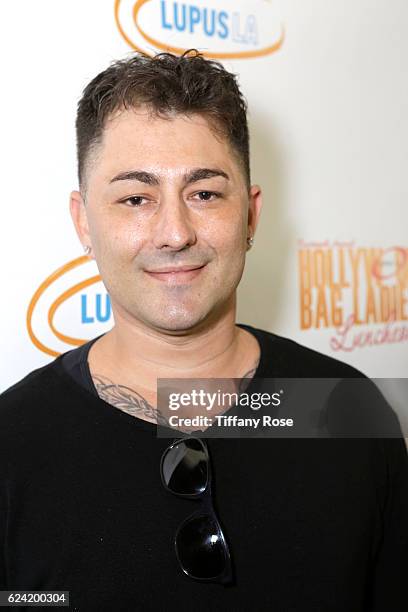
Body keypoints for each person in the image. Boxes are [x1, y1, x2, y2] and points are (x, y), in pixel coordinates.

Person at [0, 49, 407, 611]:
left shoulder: (343, 408)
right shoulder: (13, 444)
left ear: (250, 216)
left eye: (205, 194)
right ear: (83, 222)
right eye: (136, 198)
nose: (174, 232)